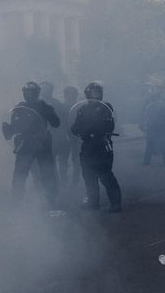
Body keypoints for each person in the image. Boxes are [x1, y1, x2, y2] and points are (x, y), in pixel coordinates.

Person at [3, 81, 60, 209]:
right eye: (26, 92)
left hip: (42, 144)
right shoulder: (20, 108)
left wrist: (49, 111)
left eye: (31, 92)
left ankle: (51, 200)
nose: (29, 94)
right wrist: (8, 129)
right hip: (25, 145)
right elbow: (14, 127)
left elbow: (56, 123)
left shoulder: (43, 105)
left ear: (36, 93)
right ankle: (16, 201)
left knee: (47, 173)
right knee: (19, 174)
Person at [71, 82, 122, 212]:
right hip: (88, 145)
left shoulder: (106, 107)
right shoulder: (82, 109)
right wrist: (76, 130)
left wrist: (90, 129)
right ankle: (93, 202)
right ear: (87, 94)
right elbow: (75, 127)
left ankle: (116, 203)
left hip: (102, 144)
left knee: (105, 175)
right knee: (88, 175)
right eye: (93, 93)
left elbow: (108, 125)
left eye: (98, 93)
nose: (96, 95)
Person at [42, 82, 72, 186]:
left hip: (59, 137)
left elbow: (65, 121)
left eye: (47, 89)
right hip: (47, 138)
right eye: (43, 89)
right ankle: (56, 182)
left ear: (51, 91)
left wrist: (67, 135)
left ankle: (62, 181)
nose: (45, 92)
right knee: (52, 162)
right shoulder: (38, 104)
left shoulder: (58, 104)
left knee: (62, 162)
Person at [141, 84, 165, 166]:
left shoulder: (150, 104)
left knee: (152, 144)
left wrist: (145, 126)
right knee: (161, 144)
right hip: (159, 126)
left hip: (155, 126)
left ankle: (147, 161)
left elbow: (146, 116)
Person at [63, 86, 82, 184]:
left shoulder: (80, 107)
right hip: (64, 138)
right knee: (63, 161)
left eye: (73, 94)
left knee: (77, 161)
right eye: (68, 94)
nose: (71, 96)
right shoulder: (61, 106)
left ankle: (75, 181)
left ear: (76, 95)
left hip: (76, 138)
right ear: (65, 95)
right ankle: (63, 181)